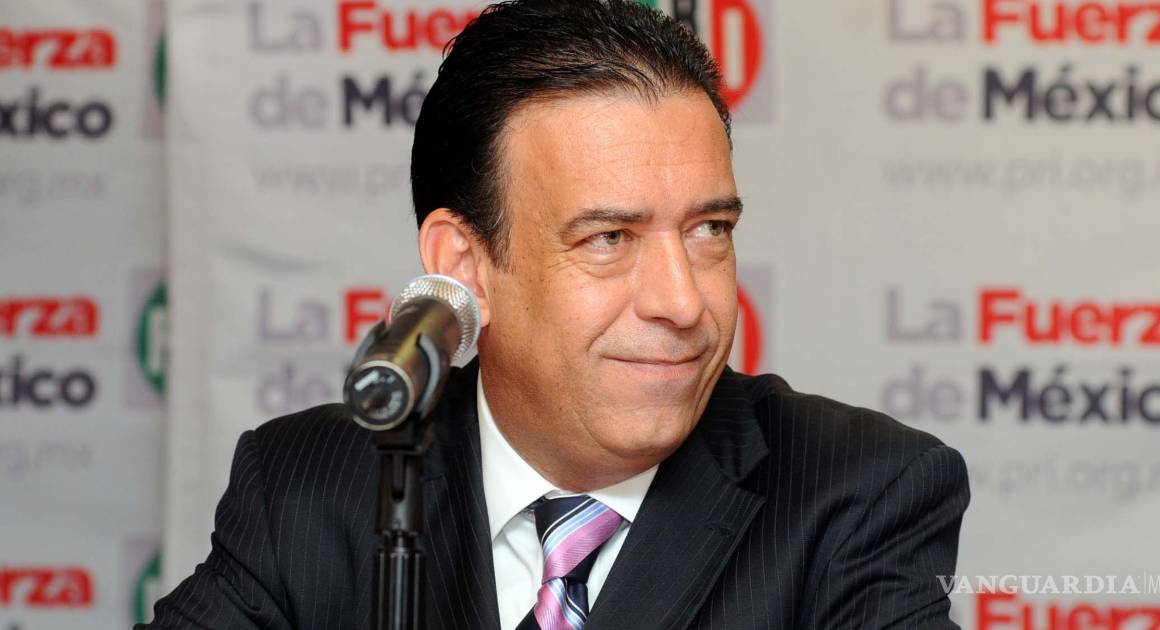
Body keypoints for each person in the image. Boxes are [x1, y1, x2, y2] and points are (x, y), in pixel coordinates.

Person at [140, 1, 970, 628]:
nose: (684, 301)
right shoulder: (311, 488)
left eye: (709, 230)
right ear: (465, 268)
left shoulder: (856, 494)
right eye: (609, 239)